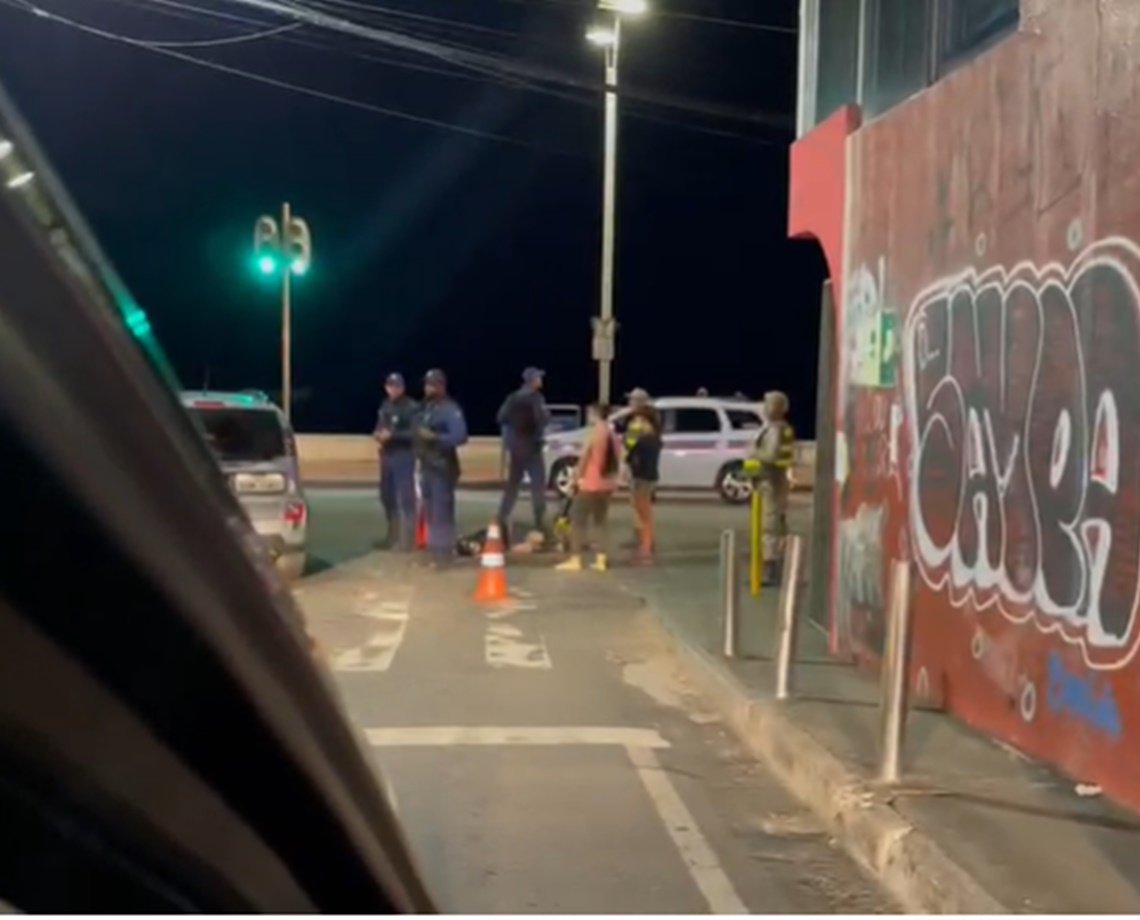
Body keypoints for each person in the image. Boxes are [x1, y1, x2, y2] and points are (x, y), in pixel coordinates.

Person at [557, 403, 621, 573]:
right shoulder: (612, 434)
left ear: (595, 414)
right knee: (601, 522)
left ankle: (575, 559)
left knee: (578, 521)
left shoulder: (595, 433)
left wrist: (575, 480)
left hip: (590, 484)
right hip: (607, 484)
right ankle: (601, 560)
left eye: (590, 413)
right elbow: (619, 458)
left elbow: (584, 459)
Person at [414, 369, 468, 567]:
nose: (428, 387)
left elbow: (461, 436)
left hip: (443, 467)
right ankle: (434, 551)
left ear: (441, 386)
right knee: (429, 512)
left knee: (442, 511)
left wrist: (435, 438)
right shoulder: (427, 408)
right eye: (427, 383)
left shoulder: (449, 408)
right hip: (427, 466)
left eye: (432, 384)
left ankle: (444, 555)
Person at [496, 367, 550, 538]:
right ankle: (540, 523)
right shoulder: (536, 398)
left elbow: (500, 417)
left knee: (512, 486)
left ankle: (500, 518)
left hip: (517, 447)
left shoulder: (513, 397)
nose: (541, 380)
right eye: (539, 378)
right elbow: (543, 419)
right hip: (533, 447)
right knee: (537, 487)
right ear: (532, 380)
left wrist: (511, 438)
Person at [750, 390, 795, 586]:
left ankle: (772, 568)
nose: (764, 407)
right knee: (775, 524)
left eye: (768, 403)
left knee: (770, 525)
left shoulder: (776, 430)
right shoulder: (777, 428)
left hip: (771, 481)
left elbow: (770, 455)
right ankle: (776, 564)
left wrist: (754, 455)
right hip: (773, 480)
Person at [372, 372, 418, 550]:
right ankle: (392, 536)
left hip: (403, 455)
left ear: (403, 388)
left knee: (406, 499)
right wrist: (378, 434)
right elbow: (379, 425)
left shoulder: (411, 407)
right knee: (387, 496)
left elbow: (414, 433)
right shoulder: (385, 405)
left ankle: (408, 541)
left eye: (397, 386)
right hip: (387, 455)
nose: (393, 389)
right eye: (390, 386)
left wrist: (393, 435)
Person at [623, 399, 662, 563]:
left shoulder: (648, 439)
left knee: (644, 514)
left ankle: (646, 547)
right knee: (642, 512)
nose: (635, 423)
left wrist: (632, 435)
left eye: (639, 419)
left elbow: (630, 451)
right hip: (642, 477)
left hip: (644, 479)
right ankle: (646, 543)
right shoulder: (650, 437)